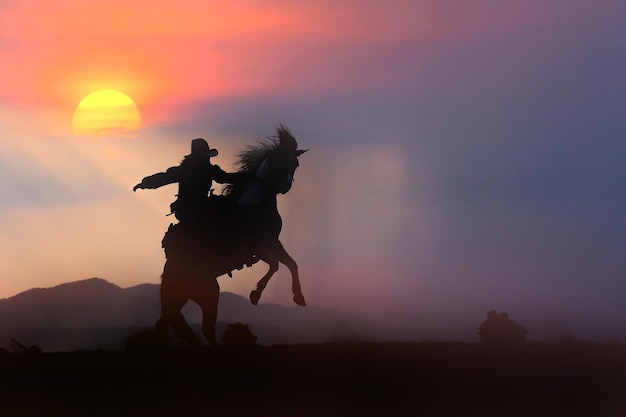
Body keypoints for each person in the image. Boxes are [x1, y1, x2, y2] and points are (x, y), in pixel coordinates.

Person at [133, 138, 240, 225]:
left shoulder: (184, 169)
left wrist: (144, 184)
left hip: (182, 211)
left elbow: (164, 178)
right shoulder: (207, 169)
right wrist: (247, 176)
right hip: (200, 209)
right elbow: (224, 178)